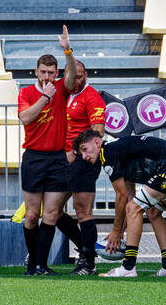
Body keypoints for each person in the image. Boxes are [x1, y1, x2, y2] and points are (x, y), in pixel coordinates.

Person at [13, 60, 106, 275]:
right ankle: (47, 258)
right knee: (52, 211)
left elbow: (98, 132)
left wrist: (77, 153)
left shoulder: (91, 97)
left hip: (81, 161)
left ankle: (87, 260)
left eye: (81, 76)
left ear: (86, 76)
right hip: (58, 161)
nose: (77, 79)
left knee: (82, 211)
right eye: (74, 75)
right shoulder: (60, 93)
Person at [18, 25, 77, 275]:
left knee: (51, 213)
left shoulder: (61, 88)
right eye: (43, 72)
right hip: (34, 157)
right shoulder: (28, 92)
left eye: (51, 73)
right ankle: (33, 261)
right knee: (32, 215)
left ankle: (42, 264)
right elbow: (26, 118)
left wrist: (68, 52)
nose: (47, 77)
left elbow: (73, 78)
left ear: (56, 73)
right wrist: (45, 97)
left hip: (56, 157)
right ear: (36, 71)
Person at [73, 129, 166, 277]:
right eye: (81, 153)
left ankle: (128, 268)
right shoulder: (119, 151)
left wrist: (116, 231)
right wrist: (121, 230)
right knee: (152, 212)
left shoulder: (107, 153)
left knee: (134, 208)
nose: (84, 156)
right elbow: (129, 196)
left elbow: (122, 197)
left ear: (97, 142)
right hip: (162, 169)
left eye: (85, 149)